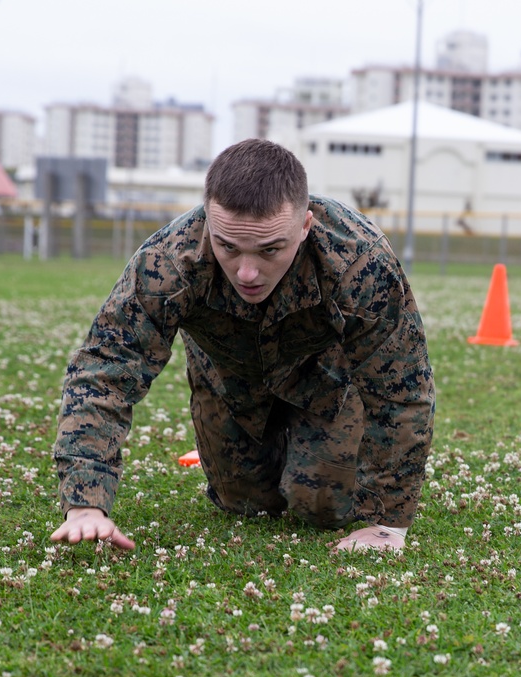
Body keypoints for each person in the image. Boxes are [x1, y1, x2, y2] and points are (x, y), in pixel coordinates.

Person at [50, 139, 435, 553]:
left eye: (270, 249)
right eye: (228, 247)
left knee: (322, 507)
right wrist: (86, 505)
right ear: (208, 222)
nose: (247, 272)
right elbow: (104, 371)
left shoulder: (359, 259)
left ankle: (318, 446)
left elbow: (402, 391)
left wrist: (385, 523)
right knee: (246, 504)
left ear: (304, 226)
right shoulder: (169, 260)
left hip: (326, 379)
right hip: (228, 379)